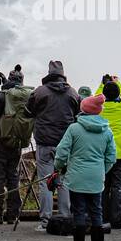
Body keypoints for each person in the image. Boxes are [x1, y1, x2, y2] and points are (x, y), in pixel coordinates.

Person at [54, 93, 116, 241]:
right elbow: (111, 157)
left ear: (84, 110)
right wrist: (102, 170)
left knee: (79, 212)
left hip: (76, 177)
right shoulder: (107, 131)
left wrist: (58, 167)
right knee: (97, 212)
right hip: (96, 178)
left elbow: (61, 152)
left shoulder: (74, 128)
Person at [27, 61, 81, 230]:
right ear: (62, 74)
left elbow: (28, 111)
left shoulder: (40, 92)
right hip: (65, 143)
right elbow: (78, 114)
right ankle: (65, 217)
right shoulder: (72, 93)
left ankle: (45, 221)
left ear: (49, 73)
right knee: (64, 181)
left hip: (44, 142)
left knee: (45, 182)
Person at [0, 66, 32, 225]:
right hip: (18, 143)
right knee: (13, 177)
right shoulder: (26, 96)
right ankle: (13, 215)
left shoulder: (1, 96)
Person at [97, 78, 121, 229]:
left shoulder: (100, 108)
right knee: (118, 185)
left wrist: (103, 83)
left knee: (103, 184)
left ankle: (102, 217)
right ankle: (117, 219)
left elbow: (96, 95)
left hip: (103, 151)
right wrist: (117, 82)